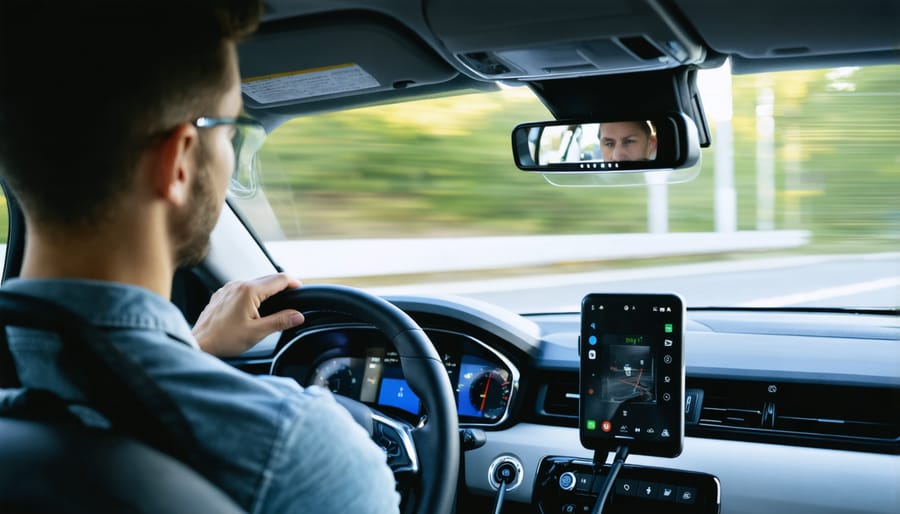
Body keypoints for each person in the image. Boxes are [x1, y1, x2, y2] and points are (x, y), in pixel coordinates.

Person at [0, 1, 399, 513]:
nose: (229, 154)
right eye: (229, 130)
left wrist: (192, 348)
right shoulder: (294, 452)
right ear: (180, 159)